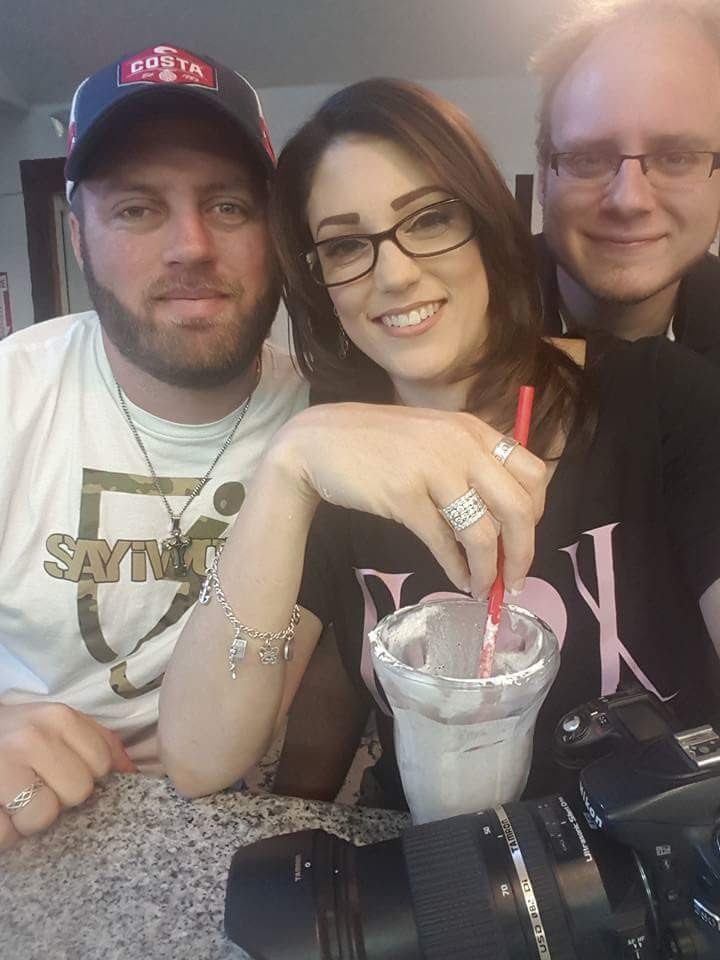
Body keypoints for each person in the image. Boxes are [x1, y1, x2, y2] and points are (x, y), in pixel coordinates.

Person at [159, 78, 720, 811]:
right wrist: (289, 465)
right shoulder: (336, 459)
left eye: (428, 219)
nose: (394, 275)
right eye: (345, 245)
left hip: (648, 862)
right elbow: (200, 757)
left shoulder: (662, 400)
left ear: (486, 224)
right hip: (429, 859)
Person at [0, 44, 308, 849]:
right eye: (137, 210)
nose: (192, 246)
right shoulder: (10, 398)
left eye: (229, 206)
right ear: (78, 238)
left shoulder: (326, 416)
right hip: (38, 818)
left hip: (265, 821)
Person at [530, 0, 720, 362]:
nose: (629, 200)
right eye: (587, 159)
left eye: (677, 158)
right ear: (542, 177)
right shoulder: (452, 325)